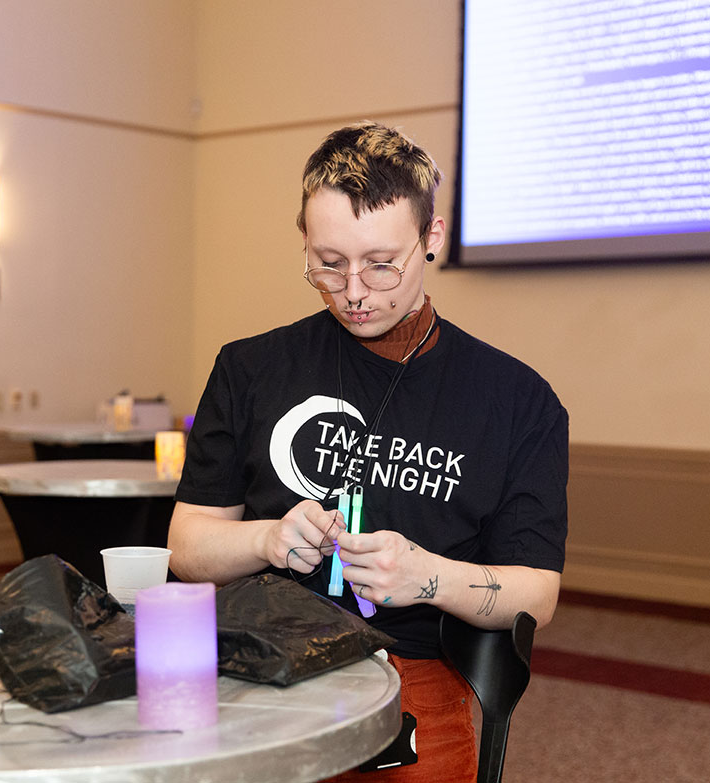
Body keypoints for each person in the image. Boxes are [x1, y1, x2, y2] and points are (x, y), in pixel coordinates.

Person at [168, 121, 568, 782]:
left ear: (431, 239)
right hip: (253, 667)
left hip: (411, 678)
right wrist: (266, 539)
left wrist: (425, 576)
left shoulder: (516, 401)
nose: (353, 291)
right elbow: (187, 544)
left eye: (382, 264)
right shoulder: (249, 368)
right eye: (328, 263)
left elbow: (536, 592)